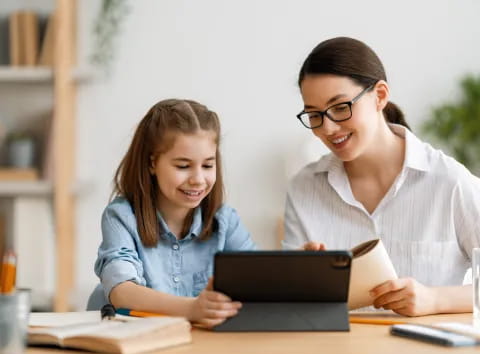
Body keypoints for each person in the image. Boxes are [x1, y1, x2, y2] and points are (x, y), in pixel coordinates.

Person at [283, 37, 480, 316]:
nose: (327, 128)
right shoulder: (304, 187)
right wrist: (298, 277)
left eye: (340, 107)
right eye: (314, 115)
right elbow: (290, 301)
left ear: (380, 95)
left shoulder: (450, 183)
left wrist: (435, 299)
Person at [87, 99, 255, 328]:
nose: (198, 179)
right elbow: (121, 291)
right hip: (123, 336)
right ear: (152, 163)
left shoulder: (225, 220)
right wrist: (192, 309)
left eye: (207, 166)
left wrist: (303, 267)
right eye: (183, 166)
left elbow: (257, 282)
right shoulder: (121, 217)